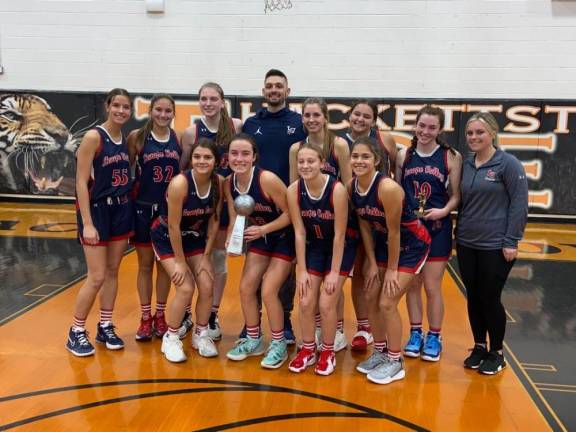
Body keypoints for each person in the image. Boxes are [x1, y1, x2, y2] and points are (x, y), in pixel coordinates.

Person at [349, 136, 430, 385]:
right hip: (384, 244)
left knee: (387, 302)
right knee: (370, 295)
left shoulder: (388, 188)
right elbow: (364, 224)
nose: (359, 161)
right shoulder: (353, 186)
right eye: (355, 156)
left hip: (411, 245)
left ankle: (396, 362)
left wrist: (392, 270)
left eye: (365, 156)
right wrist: (372, 262)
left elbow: (395, 232)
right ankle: (381, 352)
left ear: (376, 161)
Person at [456, 112, 528, 375]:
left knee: (489, 297)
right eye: (470, 133)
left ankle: (496, 352)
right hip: (466, 242)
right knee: (473, 296)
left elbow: (519, 205)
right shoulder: (466, 164)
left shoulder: (508, 164)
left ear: (493, 134)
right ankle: (479, 346)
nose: (473, 137)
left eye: (479, 133)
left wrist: (511, 241)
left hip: (495, 245)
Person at [66, 88, 134, 357]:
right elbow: (81, 182)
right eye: (116, 105)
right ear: (107, 106)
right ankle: (76, 331)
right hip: (96, 211)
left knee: (113, 271)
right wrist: (88, 222)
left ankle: (105, 325)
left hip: (121, 210)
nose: (121, 110)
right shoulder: (94, 137)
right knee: (96, 276)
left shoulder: (124, 138)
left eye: (126, 107)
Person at [242, 69, 307, 343]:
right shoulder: (250, 124)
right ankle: (251, 322)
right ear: (263, 91)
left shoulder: (299, 122)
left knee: (285, 270)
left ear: (288, 91)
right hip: (255, 207)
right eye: (269, 86)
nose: (274, 90)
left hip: (287, 207)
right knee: (253, 268)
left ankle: (286, 321)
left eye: (279, 86)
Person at [396, 105, 462, 362]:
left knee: (433, 286)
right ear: (415, 125)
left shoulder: (450, 156)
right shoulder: (404, 155)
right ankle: (415, 333)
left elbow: (456, 195)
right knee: (413, 285)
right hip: (411, 230)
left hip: (438, 229)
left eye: (432, 127)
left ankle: (434, 336)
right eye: (421, 126)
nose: (425, 131)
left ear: (440, 130)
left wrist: (444, 210)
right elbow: (399, 191)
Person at [224, 133, 294, 369]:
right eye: (234, 153)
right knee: (245, 288)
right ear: (228, 157)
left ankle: (278, 343)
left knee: (268, 291)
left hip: (284, 236)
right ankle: (254, 338)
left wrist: (264, 228)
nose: (239, 158)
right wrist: (231, 240)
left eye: (245, 153)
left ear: (254, 157)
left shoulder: (268, 180)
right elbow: (235, 215)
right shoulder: (228, 183)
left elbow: (291, 214)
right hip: (261, 238)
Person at [288, 97, 352, 353]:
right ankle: (317, 332)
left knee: (332, 285)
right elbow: (295, 187)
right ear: (302, 118)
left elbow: (347, 184)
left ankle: (336, 330)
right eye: (307, 115)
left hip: (336, 217)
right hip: (312, 224)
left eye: (317, 115)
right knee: (310, 292)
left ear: (326, 117)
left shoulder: (339, 145)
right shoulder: (296, 149)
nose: (312, 120)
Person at [180, 82, 242, 340]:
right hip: (198, 206)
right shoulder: (190, 132)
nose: (208, 103)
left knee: (217, 261)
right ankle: (185, 313)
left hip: (224, 203)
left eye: (213, 98)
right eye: (203, 98)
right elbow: (183, 169)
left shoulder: (237, 126)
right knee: (191, 262)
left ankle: (212, 314)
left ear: (222, 101)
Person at [154, 138, 223, 362]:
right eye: (197, 157)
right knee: (185, 287)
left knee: (207, 284)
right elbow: (174, 226)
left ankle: (201, 335)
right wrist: (181, 262)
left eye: (207, 157)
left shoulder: (219, 183)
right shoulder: (180, 184)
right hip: (167, 237)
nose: (202, 161)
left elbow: (214, 221)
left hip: (194, 239)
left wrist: (205, 257)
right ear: (191, 159)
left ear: (216, 161)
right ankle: (171, 337)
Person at [342, 99, 398, 352]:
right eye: (356, 114)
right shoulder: (340, 142)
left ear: (373, 120)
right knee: (358, 273)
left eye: (366, 116)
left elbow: (398, 169)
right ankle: (364, 328)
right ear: (350, 116)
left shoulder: (386, 141)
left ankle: (383, 338)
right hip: (356, 213)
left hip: (380, 213)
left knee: (376, 279)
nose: (360, 119)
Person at [127, 94, 182, 342]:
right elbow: (126, 172)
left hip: (167, 209)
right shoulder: (137, 138)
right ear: (150, 111)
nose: (162, 114)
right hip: (143, 207)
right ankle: (145, 317)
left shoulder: (177, 139)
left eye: (167, 111)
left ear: (173, 113)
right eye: (158, 110)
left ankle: (161, 314)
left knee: (164, 267)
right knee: (145, 265)